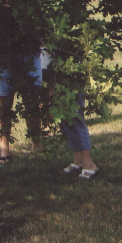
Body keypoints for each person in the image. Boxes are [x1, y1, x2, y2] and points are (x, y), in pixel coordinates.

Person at [0, 1, 44, 162]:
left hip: (28, 53)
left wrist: (38, 41)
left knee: (32, 101)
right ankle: (4, 151)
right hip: (1, 56)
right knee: (3, 105)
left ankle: (36, 144)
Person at [42, 49, 98, 180]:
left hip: (68, 68)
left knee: (75, 116)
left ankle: (88, 163)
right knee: (65, 117)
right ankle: (78, 160)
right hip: (50, 68)